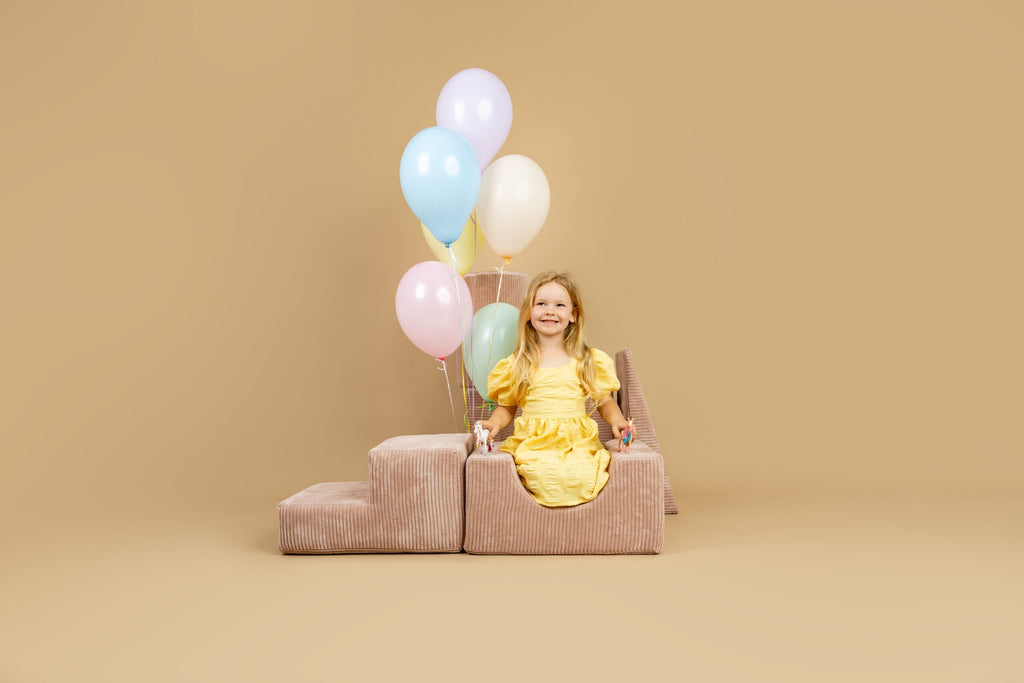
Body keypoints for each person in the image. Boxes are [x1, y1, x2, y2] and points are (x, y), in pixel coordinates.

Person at [475, 271, 631, 507]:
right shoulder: (518, 363)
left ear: (573, 315)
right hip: (534, 443)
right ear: (529, 312)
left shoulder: (586, 360)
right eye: (541, 304)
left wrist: (617, 421)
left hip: (575, 442)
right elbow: (506, 407)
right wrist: (494, 424)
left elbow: (604, 401)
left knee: (578, 474)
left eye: (559, 305)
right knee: (544, 475)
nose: (550, 311)